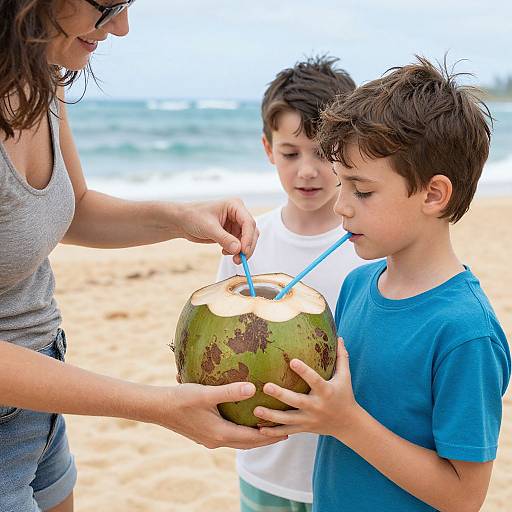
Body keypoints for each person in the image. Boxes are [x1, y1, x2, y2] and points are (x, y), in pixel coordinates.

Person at [0, 3, 285, 512]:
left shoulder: (40, 75)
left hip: (45, 392)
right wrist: (156, 406)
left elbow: (73, 209)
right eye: (106, 6)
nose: (122, 27)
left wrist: (180, 219)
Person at [253, 57, 511, 511]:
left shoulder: (466, 333)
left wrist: (345, 422)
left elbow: (464, 496)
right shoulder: (357, 284)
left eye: (362, 190)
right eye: (342, 185)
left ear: (433, 194)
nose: (341, 207)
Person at [217, 56, 363, 512]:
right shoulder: (246, 244)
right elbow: (223, 348)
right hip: (267, 470)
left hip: (347, 472)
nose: (307, 171)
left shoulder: (367, 246)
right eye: (290, 153)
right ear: (267, 148)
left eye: (324, 152)